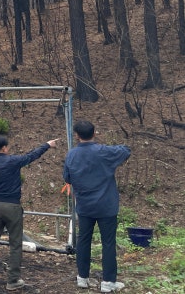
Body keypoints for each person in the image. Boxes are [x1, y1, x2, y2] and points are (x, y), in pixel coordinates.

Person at [0, 135, 59, 291]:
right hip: (13, 206)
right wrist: (47, 144)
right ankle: (13, 280)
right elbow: (32, 155)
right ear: (5, 148)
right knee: (15, 244)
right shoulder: (13, 161)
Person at [63, 120, 131, 293]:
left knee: (84, 241)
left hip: (85, 206)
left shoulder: (71, 155)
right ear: (95, 133)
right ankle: (108, 282)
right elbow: (125, 151)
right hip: (106, 206)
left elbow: (67, 178)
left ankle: (82, 278)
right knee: (108, 243)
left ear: (77, 136)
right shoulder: (104, 151)